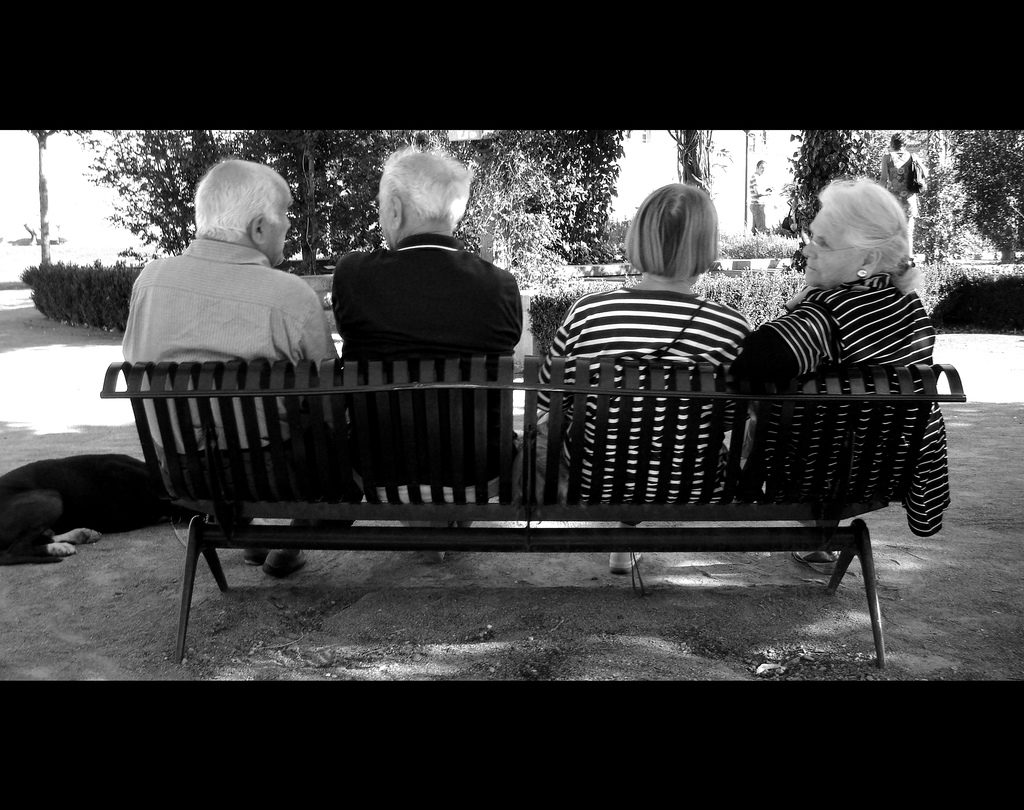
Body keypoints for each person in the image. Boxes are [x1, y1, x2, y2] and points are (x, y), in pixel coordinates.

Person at [122, 158, 339, 578]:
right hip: (277, 475)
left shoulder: (150, 281)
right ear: (258, 229)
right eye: (287, 215)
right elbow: (328, 395)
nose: (290, 225)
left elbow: (136, 362)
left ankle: (252, 535)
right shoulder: (289, 296)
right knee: (349, 449)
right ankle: (290, 545)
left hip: (184, 475)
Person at [729, 177, 950, 567]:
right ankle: (819, 536)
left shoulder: (829, 316)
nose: (808, 250)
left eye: (823, 243)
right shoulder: (913, 311)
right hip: (875, 478)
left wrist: (802, 306)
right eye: (811, 237)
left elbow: (754, 361)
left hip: (802, 478)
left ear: (866, 261)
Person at [536, 183, 751, 575]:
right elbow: (733, 417)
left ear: (640, 237)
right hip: (694, 482)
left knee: (622, 436)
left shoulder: (589, 313)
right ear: (706, 245)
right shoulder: (731, 327)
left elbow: (551, 401)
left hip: (592, 478)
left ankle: (623, 530)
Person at [332, 145, 523, 559]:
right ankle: (445, 527)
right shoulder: (501, 287)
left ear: (396, 210)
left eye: (382, 208)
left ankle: (425, 530)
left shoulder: (353, 277)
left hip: (381, 471)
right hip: (481, 471)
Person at [880, 132, 927, 256]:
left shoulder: (887, 157)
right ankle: (908, 260)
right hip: (909, 200)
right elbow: (925, 173)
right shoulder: (913, 157)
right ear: (904, 144)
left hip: (893, 201)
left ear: (892, 143)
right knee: (908, 232)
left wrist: (877, 196)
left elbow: (883, 179)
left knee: (892, 232)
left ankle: (894, 261)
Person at [749, 160, 772, 235]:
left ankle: (752, 245)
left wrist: (766, 190)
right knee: (762, 229)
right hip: (757, 205)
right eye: (761, 167)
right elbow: (757, 192)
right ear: (757, 167)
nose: (763, 170)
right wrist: (767, 193)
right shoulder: (755, 177)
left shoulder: (756, 177)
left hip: (756, 205)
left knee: (755, 231)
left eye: (764, 168)